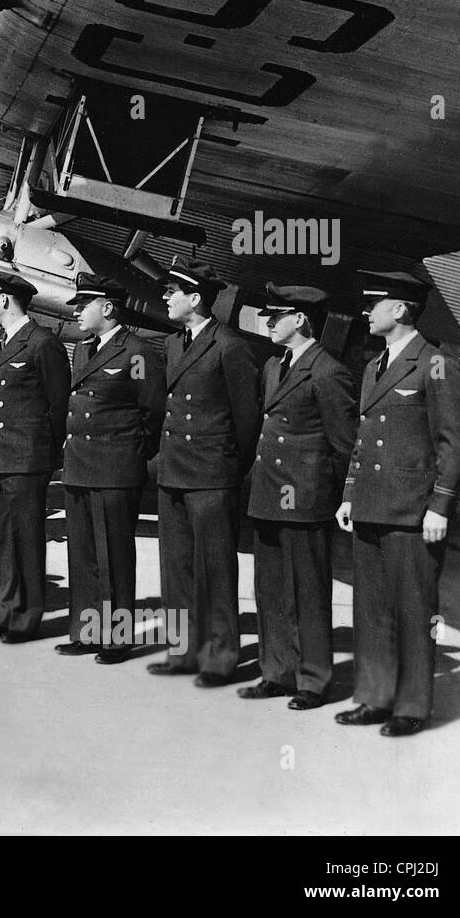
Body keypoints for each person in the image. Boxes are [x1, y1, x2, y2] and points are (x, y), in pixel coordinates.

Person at [334, 270, 460, 736]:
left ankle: (411, 706)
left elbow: (454, 443)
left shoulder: (435, 364)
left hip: (413, 511)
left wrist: (441, 506)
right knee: (370, 610)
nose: (365, 313)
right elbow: (362, 440)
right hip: (372, 506)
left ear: (399, 309)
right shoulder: (375, 366)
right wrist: (350, 494)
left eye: (373, 304)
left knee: (413, 610)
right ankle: (374, 697)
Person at [241, 284, 356, 710]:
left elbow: (346, 445)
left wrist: (344, 496)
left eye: (275, 315)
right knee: (269, 588)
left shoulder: (328, 372)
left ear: (301, 320)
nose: (267, 322)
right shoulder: (274, 365)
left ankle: (313, 680)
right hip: (269, 491)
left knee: (307, 592)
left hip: (305, 499)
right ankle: (277, 671)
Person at [150, 259, 260, 686]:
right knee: (176, 571)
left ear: (195, 299)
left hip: (212, 476)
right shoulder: (174, 344)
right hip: (173, 471)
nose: (164, 296)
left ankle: (219, 656)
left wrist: (227, 470)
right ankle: (183, 652)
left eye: (172, 291)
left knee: (214, 570)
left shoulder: (229, 346)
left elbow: (247, 420)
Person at [55, 272, 163, 663]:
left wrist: (131, 454)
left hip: (115, 467)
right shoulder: (83, 350)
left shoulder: (136, 351)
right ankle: (86, 632)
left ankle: (116, 640)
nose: (77, 313)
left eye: (83, 305)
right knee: (82, 555)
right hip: (80, 465)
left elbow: (151, 411)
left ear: (107, 307)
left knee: (113, 557)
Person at [0, 269, 70, 643]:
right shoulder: (1, 344)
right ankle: (1, 610)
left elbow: (58, 407)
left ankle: (26, 619)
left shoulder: (42, 343)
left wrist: (43, 456)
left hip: (24, 465)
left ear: (6, 300)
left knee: (25, 538)